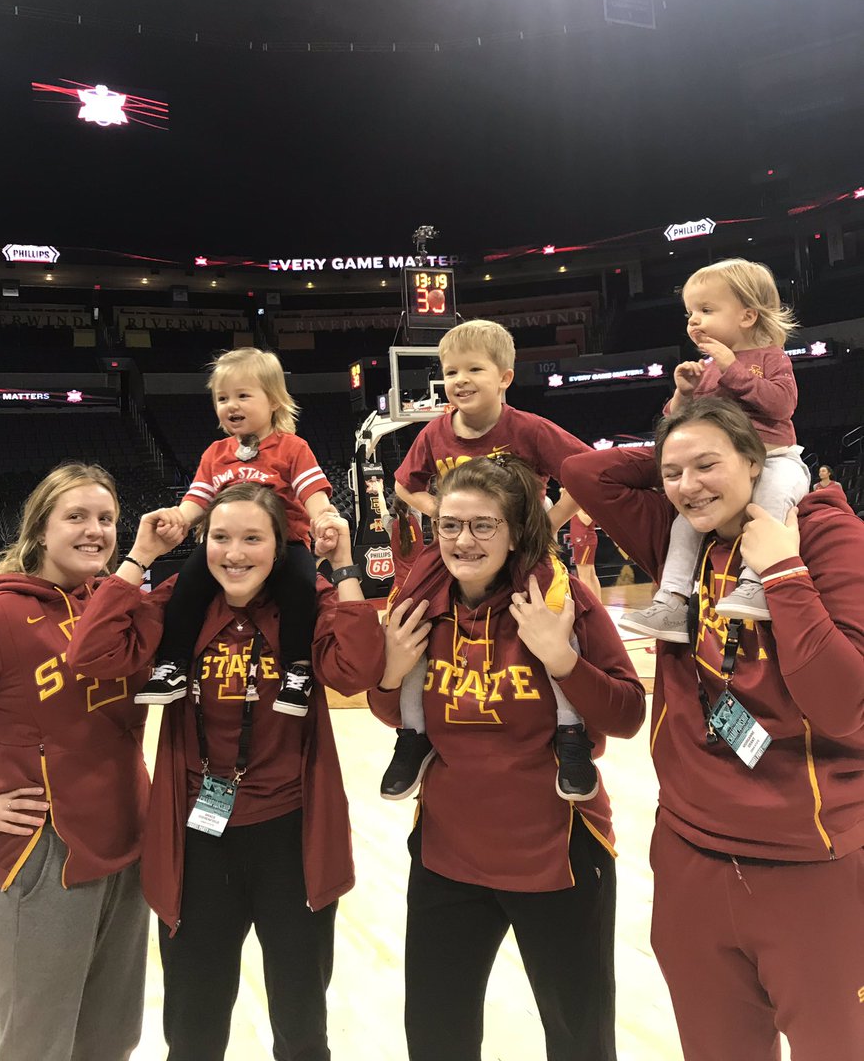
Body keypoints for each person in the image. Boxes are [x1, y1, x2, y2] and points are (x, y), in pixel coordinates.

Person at [562, 397, 864, 1061]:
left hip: (808, 862)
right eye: (672, 472)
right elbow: (585, 473)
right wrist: (690, 436)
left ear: (757, 462)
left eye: (708, 465)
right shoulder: (679, 536)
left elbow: (846, 706)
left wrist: (783, 573)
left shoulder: (827, 536)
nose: (687, 486)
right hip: (689, 852)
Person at [66, 482, 384, 1061]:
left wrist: (343, 569)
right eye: (220, 538)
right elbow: (91, 653)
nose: (234, 554)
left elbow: (356, 671)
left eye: (253, 539)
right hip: (198, 841)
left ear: (279, 547)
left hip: (290, 835)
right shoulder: (180, 606)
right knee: (193, 1030)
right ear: (203, 543)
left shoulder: (304, 603)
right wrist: (139, 556)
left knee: (302, 1027)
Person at [370, 455, 646, 1061]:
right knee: (436, 1038)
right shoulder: (421, 604)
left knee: (580, 1042)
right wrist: (390, 674)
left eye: (483, 525)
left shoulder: (561, 601)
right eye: (450, 525)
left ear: (516, 531)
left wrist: (563, 661)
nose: (463, 540)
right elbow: (395, 713)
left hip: (558, 853)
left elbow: (627, 715)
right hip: (447, 853)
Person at [0, 462, 178, 1061]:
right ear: (40, 528)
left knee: (111, 1041)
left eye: (106, 518)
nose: (95, 530)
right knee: (38, 1048)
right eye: (76, 516)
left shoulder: (115, 607)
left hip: (129, 846)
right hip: (44, 857)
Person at [383, 318, 595, 801]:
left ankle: (571, 732)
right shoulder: (434, 433)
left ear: (504, 377)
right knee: (409, 618)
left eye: (474, 369)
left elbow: (588, 473)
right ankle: (412, 735)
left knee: (554, 620)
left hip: (521, 550)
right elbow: (403, 485)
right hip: (457, 551)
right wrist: (441, 513)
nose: (460, 379)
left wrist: (549, 523)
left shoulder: (529, 429)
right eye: (450, 371)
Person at [135, 346, 335, 714]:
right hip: (228, 546)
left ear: (273, 400)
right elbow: (197, 499)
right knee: (187, 585)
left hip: (286, 544)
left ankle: (298, 669)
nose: (231, 405)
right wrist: (178, 518)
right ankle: (173, 664)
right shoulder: (215, 453)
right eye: (222, 398)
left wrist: (322, 517)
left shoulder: (292, 448)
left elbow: (312, 493)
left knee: (301, 588)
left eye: (243, 395)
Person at [621, 258, 810, 643]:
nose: (694, 320)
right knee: (683, 525)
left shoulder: (771, 357)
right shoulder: (705, 368)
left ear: (747, 316)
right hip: (721, 472)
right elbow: (678, 425)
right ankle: (672, 601)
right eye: (690, 312)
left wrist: (731, 367)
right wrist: (683, 394)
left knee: (772, 499)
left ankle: (756, 583)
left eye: (706, 310)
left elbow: (781, 406)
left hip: (775, 460)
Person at [367, 473, 424, 590]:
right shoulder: (416, 518)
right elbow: (416, 497)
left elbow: (382, 508)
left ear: (394, 508)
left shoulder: (390, 525)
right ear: (409, 506)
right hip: (421, 581)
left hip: (401, 585)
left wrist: (379, 490)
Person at [568, 509, 602, 601]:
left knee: (584, 576)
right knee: (591, 574)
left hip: (584, 540)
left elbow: (587, 521)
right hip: (582, 539)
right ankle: (598, 602)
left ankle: (589, 603)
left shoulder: (583, 505)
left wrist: (576, 509)